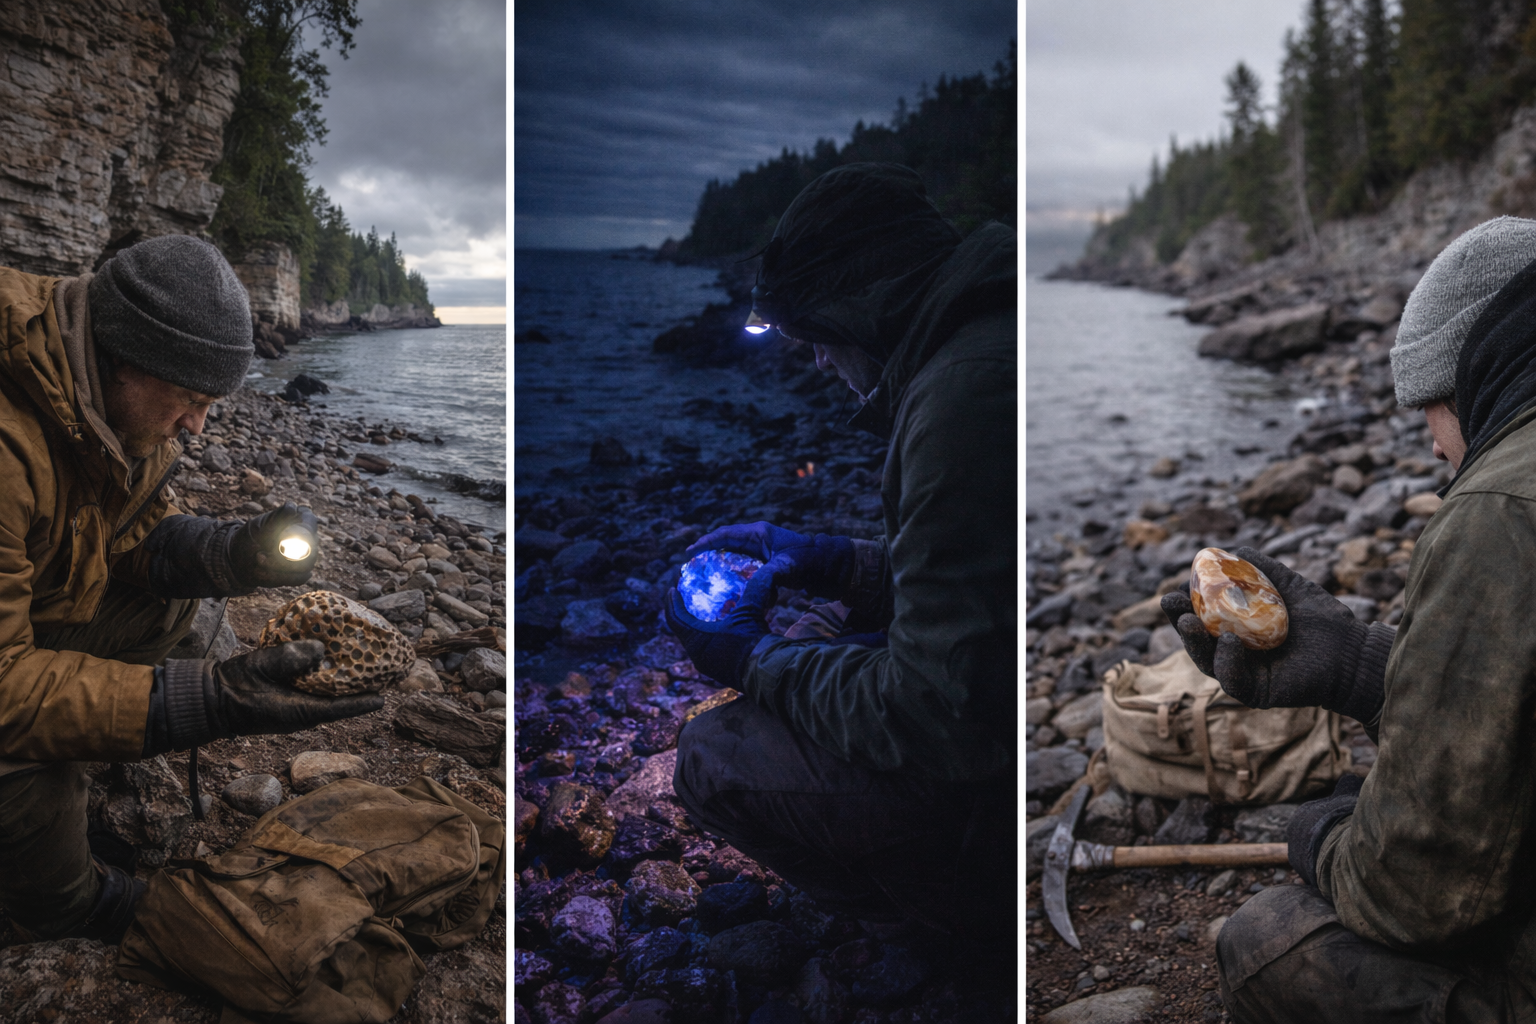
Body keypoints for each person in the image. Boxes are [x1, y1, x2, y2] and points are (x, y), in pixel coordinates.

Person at [1161, 216, 1536, 1021]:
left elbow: (1417, 896)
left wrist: (1324, 836)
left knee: (1267, 944)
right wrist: (1364, 669)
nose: (1437, 451)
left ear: (1473, 373)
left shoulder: (1500, 510)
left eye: (1429, 410)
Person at [662, 163, 1016, 941]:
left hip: (996, 766)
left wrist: (749, 659)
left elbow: (934, 714)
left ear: (859, 305)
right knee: (843, 644)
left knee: (709, 752)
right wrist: (831, 558)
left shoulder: (961, 398)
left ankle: (951, 926)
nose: (817, 361)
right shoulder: (986, 344)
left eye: (815, 334)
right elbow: (983, 590)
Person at [0, 234, 382, 945]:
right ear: (125, 359)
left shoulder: (97, 396)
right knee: (21, 756)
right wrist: (205, 701)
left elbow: (131, 533)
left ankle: (67, 760)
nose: (198, 428)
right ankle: (60, 906)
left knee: (174, 600)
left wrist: (234, 555)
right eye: (192, 400)